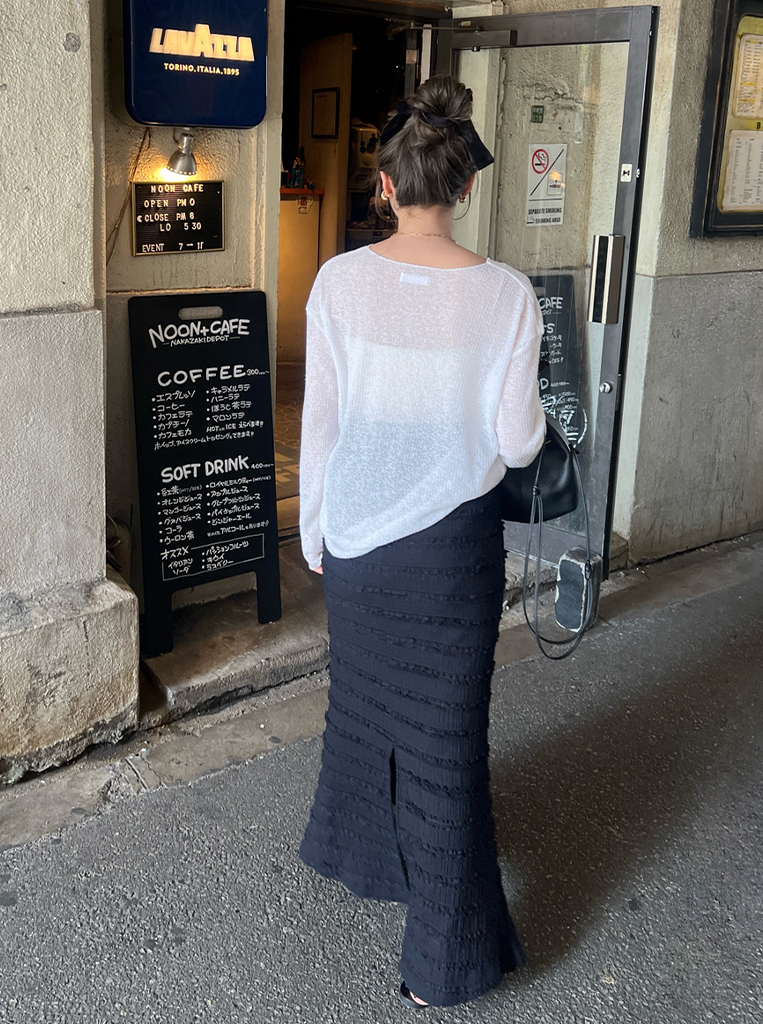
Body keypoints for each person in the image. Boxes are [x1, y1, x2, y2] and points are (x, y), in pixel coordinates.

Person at [298, 75, 545, 1009]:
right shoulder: (507, 295)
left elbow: (322, 426)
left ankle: (378, 860)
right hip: (451, 557)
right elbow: (517, 441)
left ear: (385, 186)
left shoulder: (338, 282)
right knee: (447, 742)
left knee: (366, 717)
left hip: (359, 549)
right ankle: (443, 967)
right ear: (466, 187)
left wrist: (316, 531)